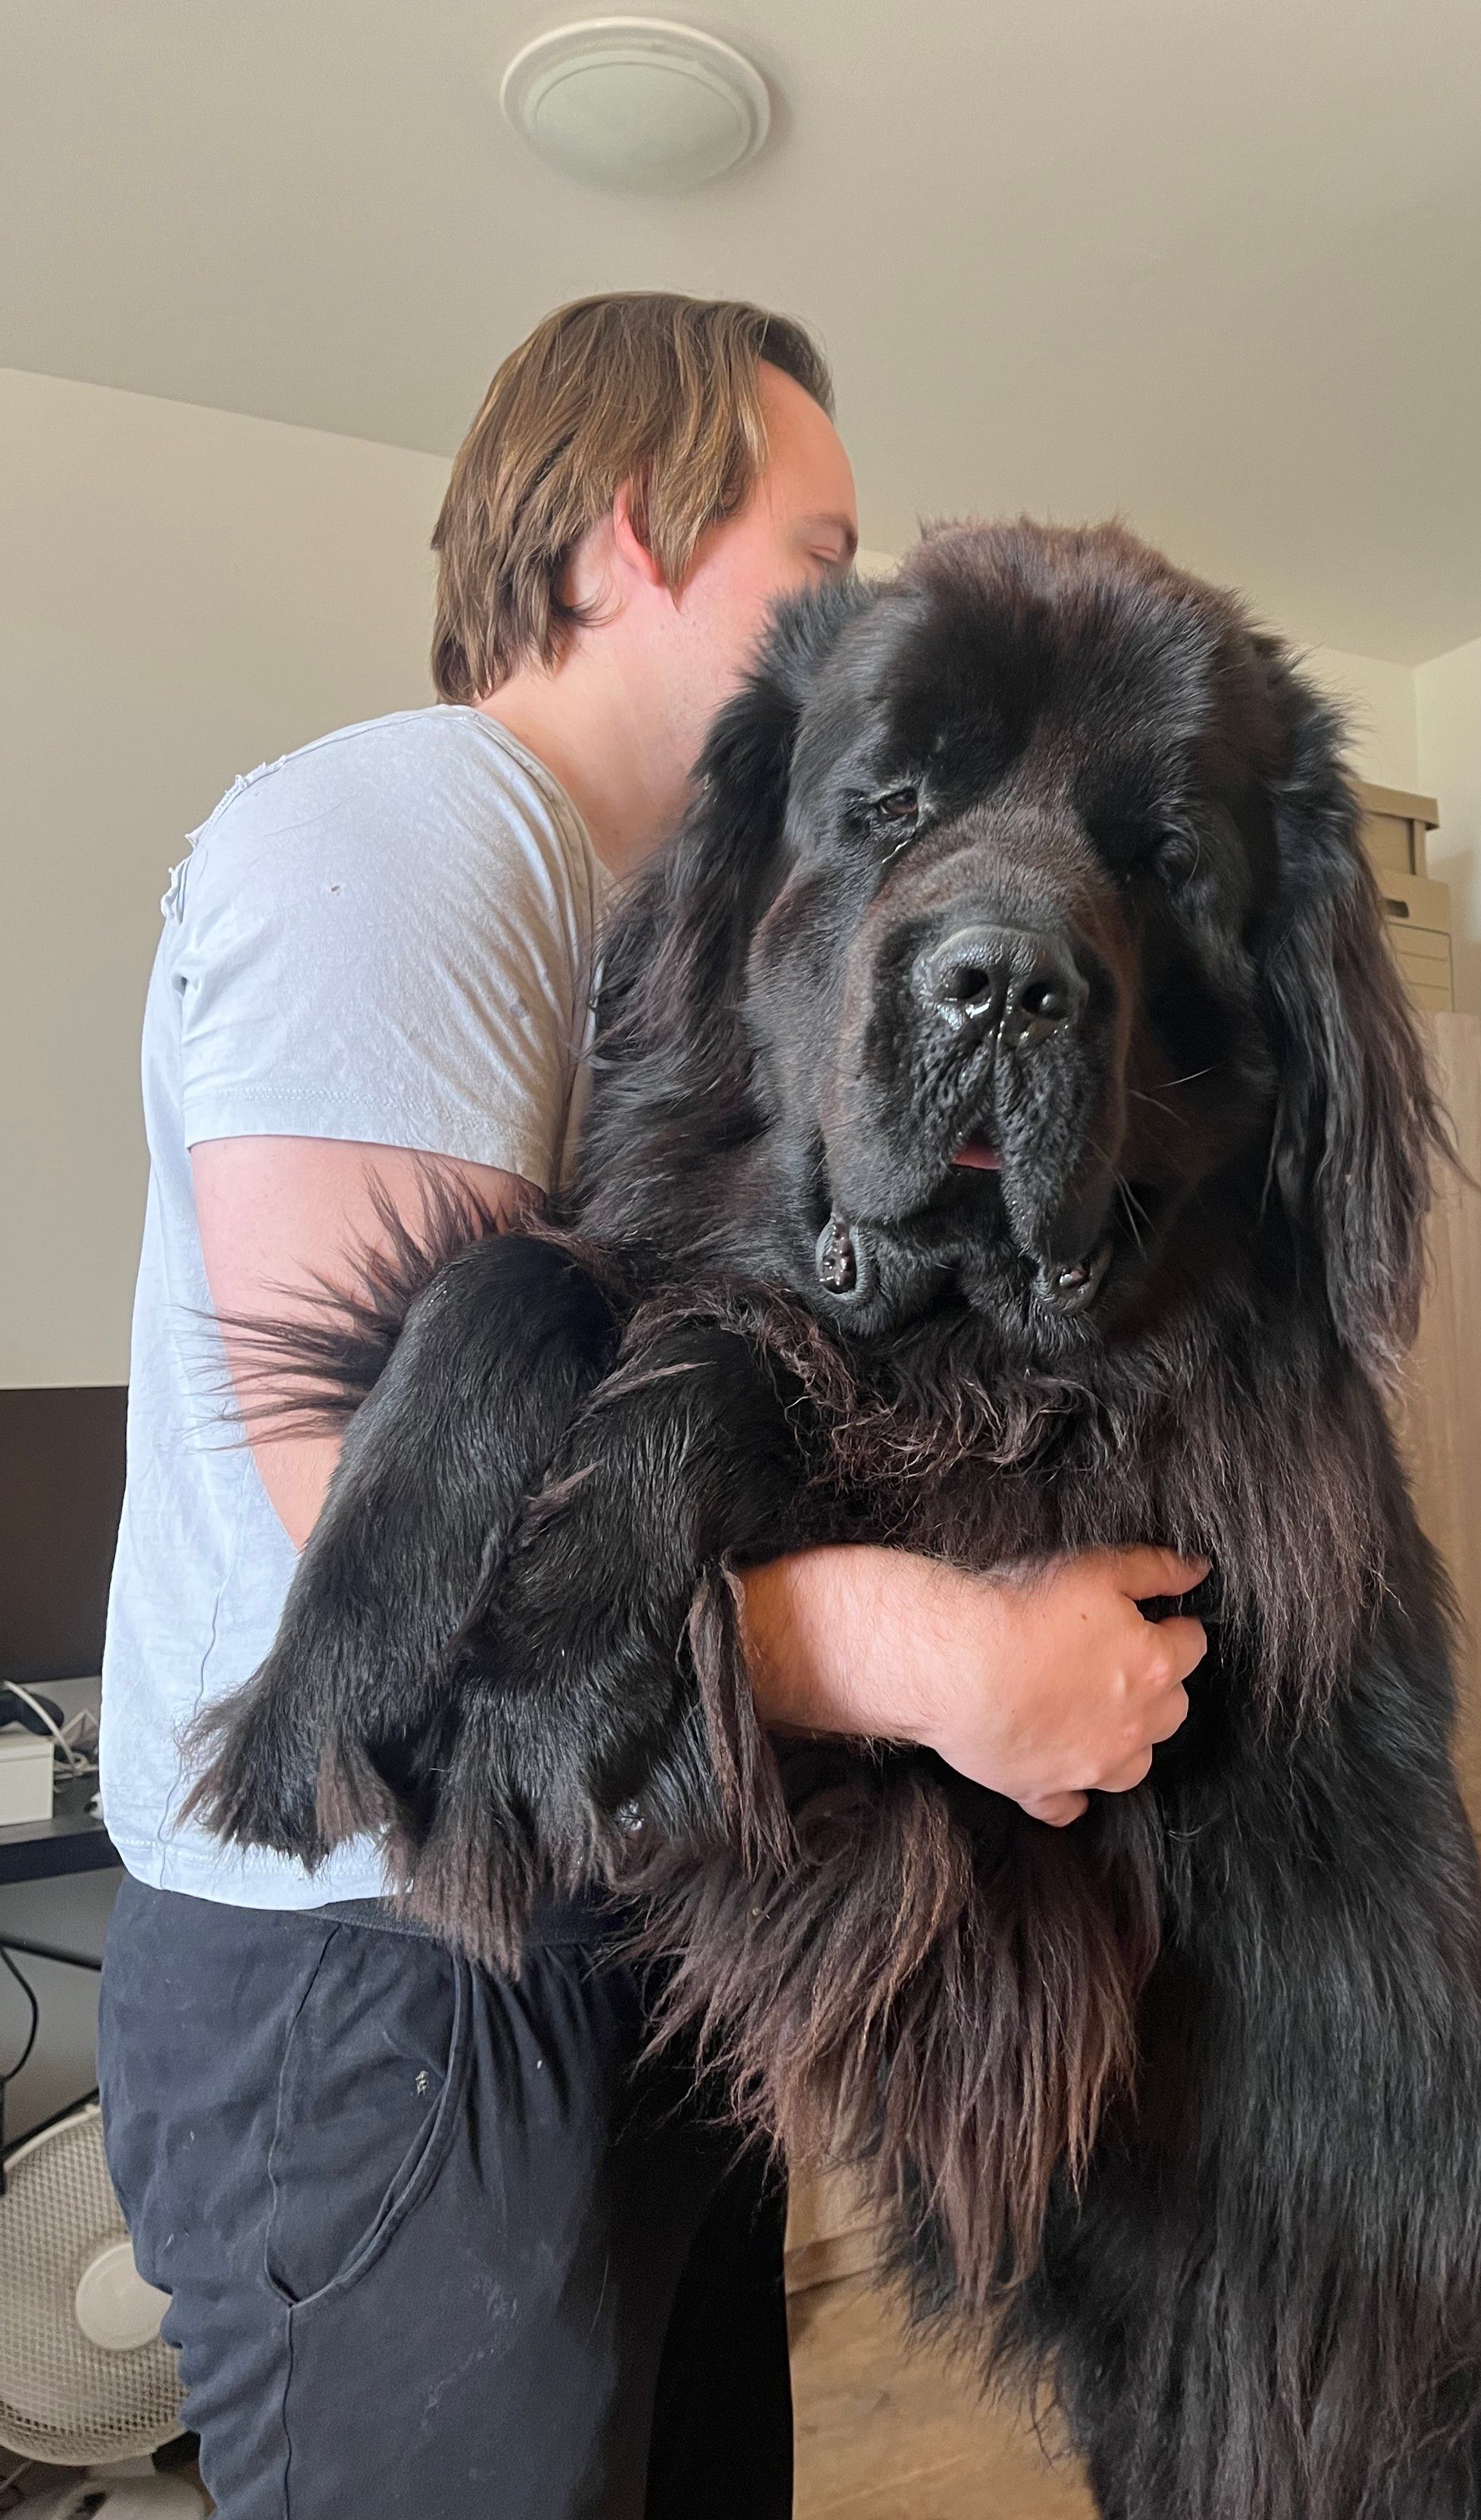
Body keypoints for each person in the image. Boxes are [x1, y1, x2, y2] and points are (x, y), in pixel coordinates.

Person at [96, 293, 1207, 2520]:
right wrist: (942, 1663)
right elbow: (418, 1584)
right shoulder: (414, 831)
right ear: (630, 536)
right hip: (381, 1976)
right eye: (823, 556)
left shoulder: (639, 934)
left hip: (596, 1907)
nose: (856, 620)